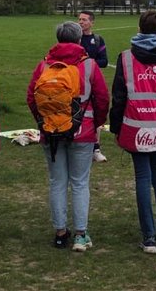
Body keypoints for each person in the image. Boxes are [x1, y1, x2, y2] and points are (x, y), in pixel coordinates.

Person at [27, 21, 109, 252]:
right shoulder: (89, 65)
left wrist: (43, 122)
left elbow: (31, 97)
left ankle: (61, 233)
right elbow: (102, 98)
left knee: (57, 182)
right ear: (78, 39)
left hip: (51, 133)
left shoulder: (44, 65)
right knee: (80, 183)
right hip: (82, 132)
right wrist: (97, 124)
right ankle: (81, 234)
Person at [110, 9, 156, 253]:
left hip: (136, 126)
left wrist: (116, 128)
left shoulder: (126, 58)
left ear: (139, 28)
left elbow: (118, 97)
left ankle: (149, 238)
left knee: (143, 177)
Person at [78, 10, 109, 162]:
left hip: (92, 81)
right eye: (79, 19)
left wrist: (89, 64)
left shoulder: (97, 40)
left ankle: (96, 149)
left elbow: (104, 61)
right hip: (75, 82)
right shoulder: (74, 39)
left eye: (84, 20)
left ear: (92, 22)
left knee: (95, 112)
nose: (81, 22)